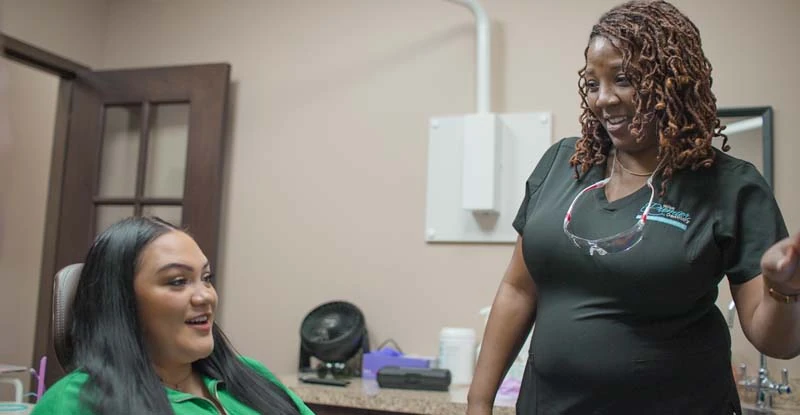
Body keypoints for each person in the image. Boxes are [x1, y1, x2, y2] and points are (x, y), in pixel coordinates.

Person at [466, 1, 800, 414]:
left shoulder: (730, 186)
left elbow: (778, 343)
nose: (603, 99)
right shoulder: (563, 164)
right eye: (592, 84)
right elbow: (517, 290)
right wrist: (479, 402)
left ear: (672, 82)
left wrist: (783, 290)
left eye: (623, 79)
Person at [32, 216, 315, 415]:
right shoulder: (76, 402)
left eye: (206, 278)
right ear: (122, 301)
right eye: (178, 281)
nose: (205, 295)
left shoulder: (250, 374)